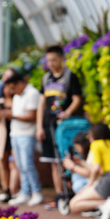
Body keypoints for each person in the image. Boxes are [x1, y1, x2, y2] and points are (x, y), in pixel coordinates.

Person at [36, 45, 83, 210]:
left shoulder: (70, 76)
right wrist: (39, 126)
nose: (51, 63)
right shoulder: (45, 79)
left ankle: (72, 191)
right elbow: (41, 103)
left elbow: (77, 99)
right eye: (48, 60)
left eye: (54, 59)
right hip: (49, 125)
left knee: (67, 157)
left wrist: (68, 112)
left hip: (66, 126)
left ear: (62, 58)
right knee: (53, 161)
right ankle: (59, 194)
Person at [67, 123, 110, 219]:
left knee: (73, 204)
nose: (89, 139)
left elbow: (96, 169)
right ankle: (109, 207)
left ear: (94, 135)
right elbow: (101, 170)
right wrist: (81, 162)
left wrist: (89, 185)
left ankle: (106, 204)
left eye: (90, 136)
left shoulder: (97, 144)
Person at [1, 72, 43, 206]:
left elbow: (32, 116)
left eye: (13, 88)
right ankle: (25, 193)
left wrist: (12, 115)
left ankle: (36, 192)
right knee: (20, 165)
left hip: (27, 134)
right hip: (15, 134)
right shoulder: (17, 96)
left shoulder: (32, 93)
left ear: (20, 83)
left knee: (27, 165)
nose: (12, 91)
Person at [0, 70, 20, 202]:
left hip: (15, 135)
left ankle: (14, 190)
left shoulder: (18, 100)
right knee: (3, 165)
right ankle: (6, 189)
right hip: (2, 138)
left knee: (16, 164)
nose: (8, 90)